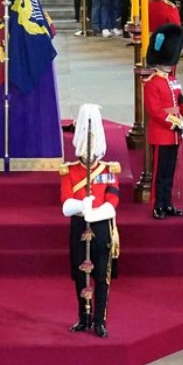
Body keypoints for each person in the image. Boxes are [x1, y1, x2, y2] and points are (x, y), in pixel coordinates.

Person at [60, 103, 119, 338]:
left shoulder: (108, 169)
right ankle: (83, 317)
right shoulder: (70, 171)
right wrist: (80, 206)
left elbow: (113, 201)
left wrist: (95, 212)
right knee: (80, 275)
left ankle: (99, 320)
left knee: (101, 278)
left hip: (101, 228)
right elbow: (65, 204)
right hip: (78, 226)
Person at [144, 23, 183, 219]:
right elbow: (155, 111)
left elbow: (180, 99)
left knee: (170, 172)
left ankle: (167, 203)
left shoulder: (172, 80)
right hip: (163, 133)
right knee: (160, 173)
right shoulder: (152, 83)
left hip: (174, 134)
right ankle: (158, 205)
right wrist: (177, 123)